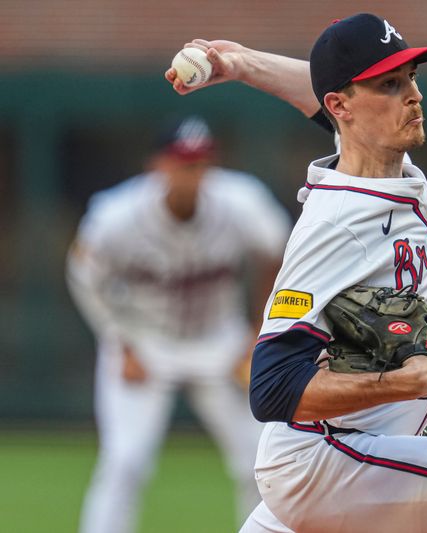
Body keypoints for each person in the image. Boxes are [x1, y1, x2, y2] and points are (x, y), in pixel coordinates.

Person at [167, 13, 427, 533]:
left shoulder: (390, 169)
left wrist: (242, 64)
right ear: (344, 107)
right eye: (391, 85)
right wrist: (402, 381)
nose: (414, 95)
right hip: (324, 458)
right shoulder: (334, 225)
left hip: (348, 452)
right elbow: (271, 387)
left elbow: (327, 98)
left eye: (411, 77)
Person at [66, 115, 294, 533]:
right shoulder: (116, 214)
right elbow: (84, 275)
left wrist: (258, 335)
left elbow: (279, 254)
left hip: (219, 343)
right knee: (125, 462)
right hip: (144, 341)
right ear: (158, 166)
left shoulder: (239, 200)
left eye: (202, 162)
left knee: (261, 462)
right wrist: (120, 341)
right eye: (183, 162)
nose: (193, 173)